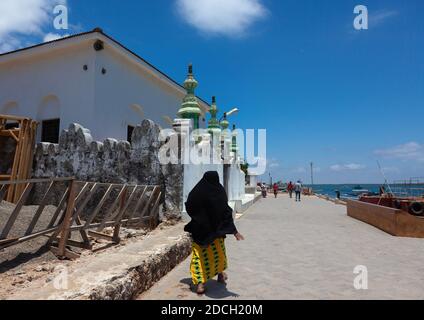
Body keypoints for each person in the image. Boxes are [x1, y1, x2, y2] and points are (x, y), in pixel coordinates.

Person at [184, 171, 245, 295]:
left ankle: (200, 284)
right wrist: (234, 231)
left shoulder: (197, 191)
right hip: (217, 233)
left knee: (200, 257)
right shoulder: (220, 191)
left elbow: (189, 205)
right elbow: (226, 211)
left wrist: (199, 219)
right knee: (218, 255)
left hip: (201, 233)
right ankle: (221, 276)